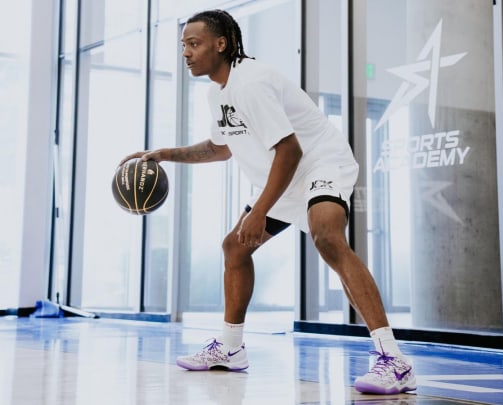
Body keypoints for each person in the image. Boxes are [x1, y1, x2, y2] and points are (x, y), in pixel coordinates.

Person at [120, 9, 416, 395]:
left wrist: (259, 211)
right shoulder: (218, 92)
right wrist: (162, 154)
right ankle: (230, 348)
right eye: (183, 46)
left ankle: (393, 359)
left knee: (326, 236)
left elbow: (290, 151)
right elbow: (219, 148)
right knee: (234, 248)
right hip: (282, 175)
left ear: (221, 44)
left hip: (318, 163)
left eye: (194, 44)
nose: (186, 54)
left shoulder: (252, 83)